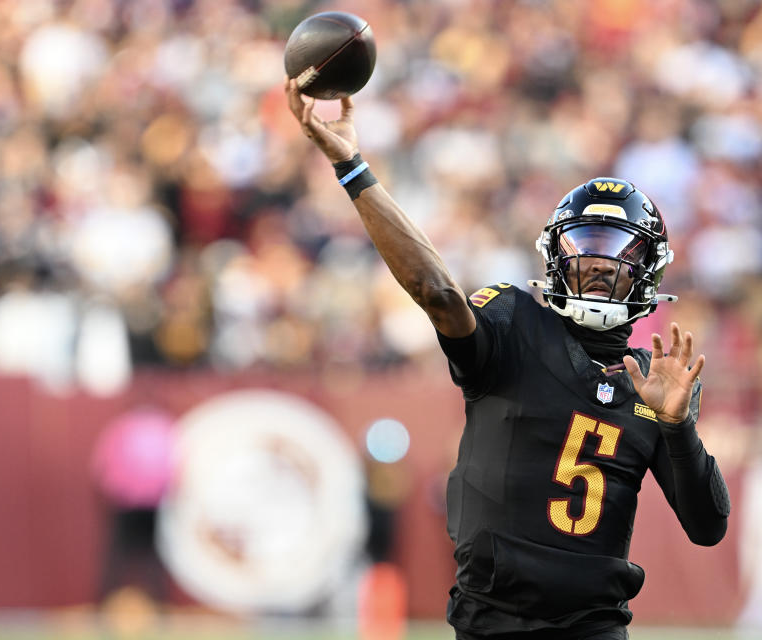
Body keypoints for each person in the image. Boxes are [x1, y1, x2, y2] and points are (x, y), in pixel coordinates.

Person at [284, 78, 730, 639]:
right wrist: (352, 166)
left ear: (649, 270)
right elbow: (436, 291)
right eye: (583, 244)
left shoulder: (655, 380)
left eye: (617, 249)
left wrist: (677, 428)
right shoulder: (515, 321)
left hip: (593, 629)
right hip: (487, 624)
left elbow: (709, 526)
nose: (597, 262)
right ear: (553, 255)